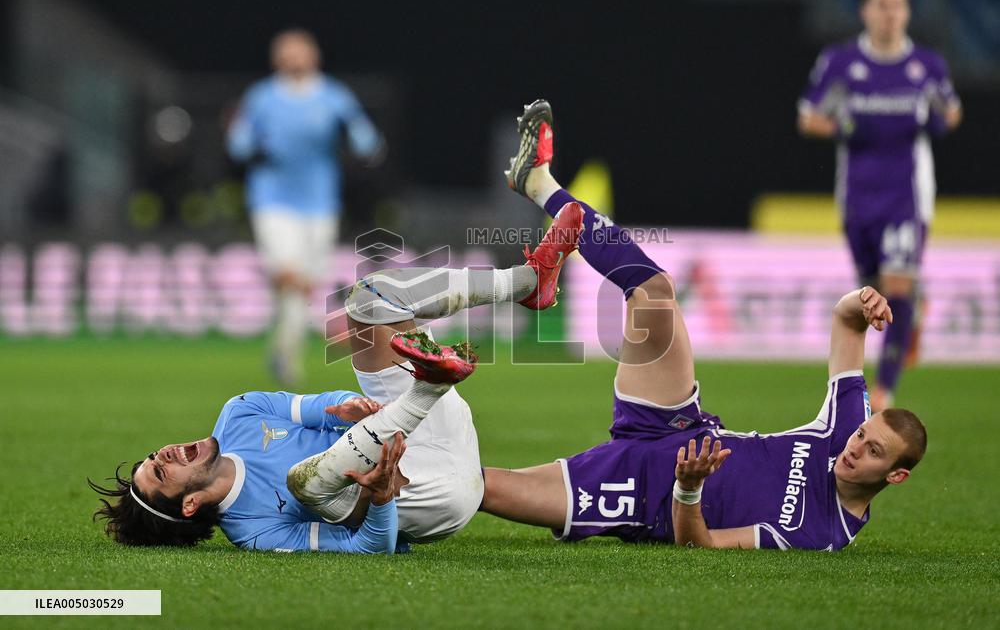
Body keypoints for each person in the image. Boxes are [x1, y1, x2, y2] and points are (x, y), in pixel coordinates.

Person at [483, 100, 925, 550]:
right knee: (655, 290)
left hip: (643, 496)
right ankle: (539, 183)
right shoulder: (844, 432)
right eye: (863, 436)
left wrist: (688, 488)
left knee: (484, 488)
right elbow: (846, 324)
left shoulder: (819, 533)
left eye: (872, 451)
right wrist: (863, 301)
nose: (854, 447)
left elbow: (700, 545)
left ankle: (409, 481)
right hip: (678, 425)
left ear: (896, 475)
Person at [88, 201, 585, 553]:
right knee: (303, 484)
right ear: (190, 504)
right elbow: (368, 547)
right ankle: (427, 384)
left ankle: (525, 283)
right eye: (161, 472)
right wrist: (382, 497)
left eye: (153, 456)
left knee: (368, 300)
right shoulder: (256, 532)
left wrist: (347, 407)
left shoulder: (238, 413)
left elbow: (324, 404)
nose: (165, 453)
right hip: (429, 492)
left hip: (422, 429)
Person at [797, 0, 961, 410]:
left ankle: (885, 391)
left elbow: (952, 113)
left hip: (907, 196)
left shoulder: (925, 66)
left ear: (907, 11)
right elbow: (808, 117)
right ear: (865, 11)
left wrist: (935, 122)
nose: (891, 14)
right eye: (882, 5)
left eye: (898, 5)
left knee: (896, 285)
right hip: (857, 196)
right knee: (872, 291)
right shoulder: (840, 62)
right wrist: (843, 126)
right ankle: (911, 313)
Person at [227, 28, 385, 386]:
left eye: (300, 51)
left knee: (303, 283)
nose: (293, 57)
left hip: (320, 203)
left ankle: (283, 351)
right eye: (286, 51)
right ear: (275, 57)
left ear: (314, 55)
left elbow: (366, 138)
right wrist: (248, 144)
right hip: (272, 199)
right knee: (288, 273)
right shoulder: (262, 97)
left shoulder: (333, 96)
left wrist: (359, 140)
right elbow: (238, 142)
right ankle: (287, 353)